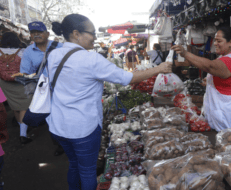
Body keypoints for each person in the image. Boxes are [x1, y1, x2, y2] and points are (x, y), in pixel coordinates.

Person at [49, 14, 172, 190]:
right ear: (76, 34)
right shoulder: (90, 59)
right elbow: (128, 78)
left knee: (74, 165)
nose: (95, 37)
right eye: (91, 33)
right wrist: (158, 69)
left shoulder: (54, 54)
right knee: (87, 171)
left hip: (58, 125)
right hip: (82, 128)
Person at [172, 25, 231, 132]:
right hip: (229, 113)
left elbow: (209, 66)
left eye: (219, 41)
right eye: (215, 40)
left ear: (230, 42)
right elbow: (225, 76)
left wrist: (185, 53)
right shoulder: (229, 56)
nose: (215, 44)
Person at [12, 21, 65, 155]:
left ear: (47, 33)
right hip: (43, 90)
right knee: (50, 118)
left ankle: (69, 139)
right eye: (33, 33)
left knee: (64, 114)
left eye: (39, 32)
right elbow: (25, 72)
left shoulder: (60, 47)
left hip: (63, 86)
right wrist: (27, 79)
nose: (36, 35)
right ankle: (59, 144)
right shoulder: (29, 51)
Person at [0, 32, 32, 144]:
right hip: (20, 82)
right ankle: (23, 134)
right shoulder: (22, 52)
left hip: (5, 83)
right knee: (24, 106)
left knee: (15, 106)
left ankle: (21, 127)